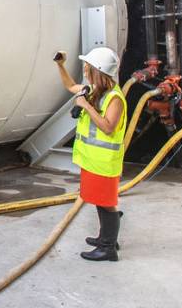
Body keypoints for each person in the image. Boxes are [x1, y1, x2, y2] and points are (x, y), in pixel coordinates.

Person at [54, 47, 127, 261]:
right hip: (93, 160)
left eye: (88, 68)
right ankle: (105, 237)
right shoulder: (95, 90)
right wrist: (60, 65)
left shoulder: (114, 98)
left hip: (104, 162)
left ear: (98, 71)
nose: (85, 71)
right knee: (99, 200)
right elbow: (69, 85)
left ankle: (108, 248)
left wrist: (85, 106)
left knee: (106, 203)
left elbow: (108, 127)